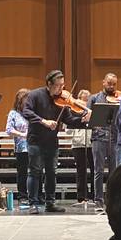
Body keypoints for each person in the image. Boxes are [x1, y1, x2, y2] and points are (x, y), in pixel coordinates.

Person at [21, 69, 89, 214]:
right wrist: (43, 121)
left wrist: (82, 120)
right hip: (35, 141)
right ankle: (33, 203)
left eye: (63, 85)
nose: (61, 89)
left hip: (52, 142)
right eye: (58, 85)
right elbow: (26, 111)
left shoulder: (63, 101)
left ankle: (50, 203)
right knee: (35, 172)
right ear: (49, 84)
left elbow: (69, 119)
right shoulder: (35, 95)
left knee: (52, 173)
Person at [87, 73, 120, 212]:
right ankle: (98, 200)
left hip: (114, 137)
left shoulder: (119, 98)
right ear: (103, 82)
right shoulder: (94, 98)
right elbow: (87, 115)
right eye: (109, 83)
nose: (111, 86)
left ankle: (111, 199)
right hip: (98, 137)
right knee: (98, 170)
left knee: (114, 171)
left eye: (114, 84)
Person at [6, 88, 31, 209]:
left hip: (34, 146)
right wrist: (22, 134)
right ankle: (23, 196)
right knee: (23, 173)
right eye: (25, 101)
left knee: (36, 173)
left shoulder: (32, 113)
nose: (27, 103)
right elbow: (9, 130)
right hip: (21, 148)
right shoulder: (13, 113)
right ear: (19, 102)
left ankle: (35, 196)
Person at [71, 89, 94, 205]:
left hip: (91, 142)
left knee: (94, 169)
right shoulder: (73, 111)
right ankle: (81, 197)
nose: (84, 102)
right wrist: (78, 121)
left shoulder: (93, 110)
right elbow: (68, 130)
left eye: (87, 99)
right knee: (81, 170)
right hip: (78, 143)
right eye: (83, 99)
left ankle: (94, 196)